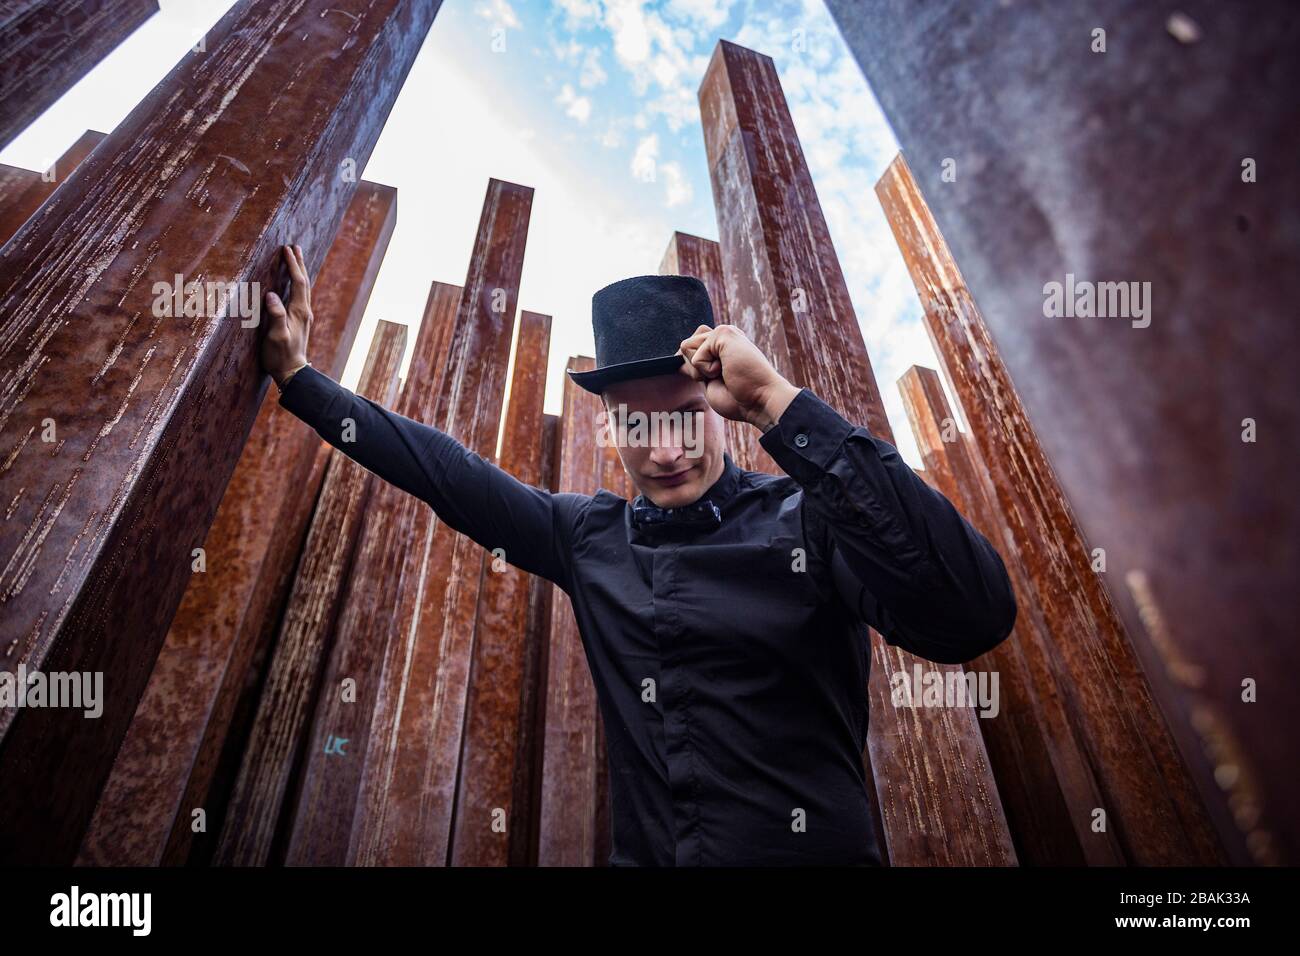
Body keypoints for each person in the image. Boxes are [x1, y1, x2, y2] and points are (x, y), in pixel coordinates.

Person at [263, 244, 1017, 866]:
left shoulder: (808, 522)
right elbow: (448, 473)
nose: (663, 452)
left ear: (724, 408)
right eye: (634, 424)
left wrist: (780, 404)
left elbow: (971, 615)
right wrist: (301, 380)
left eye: (687, 418)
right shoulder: (587, 537)